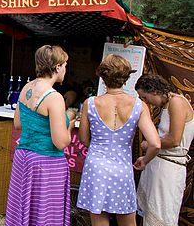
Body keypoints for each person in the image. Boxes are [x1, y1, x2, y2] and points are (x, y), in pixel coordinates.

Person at [77, 55, 160, 226]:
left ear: (102, 76)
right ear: (127, 77)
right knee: (128, 222)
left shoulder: (90, 103)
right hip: (122, 168)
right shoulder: (138, 105)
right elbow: (155, 143)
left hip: (96, 167)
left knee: (99, 221)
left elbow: (84, 139)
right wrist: (144, 160)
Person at [5, 45, 75, 226]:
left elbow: (18, 124)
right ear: (57, 67)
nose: (66, 69)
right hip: (46, 163)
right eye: (65, 65)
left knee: (23, 210)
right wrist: (69, 125)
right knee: (44, 215)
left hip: (23, 159)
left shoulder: (27, 87)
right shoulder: (54, 97)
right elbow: (60, 142)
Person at [135, 74, 194, 226]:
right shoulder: (167, 104)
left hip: (169, 169)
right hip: (159, 165)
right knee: (151, 214)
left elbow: (174, 140)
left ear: (154, 91)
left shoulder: (176, 102)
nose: (146, 102)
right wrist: (146, 159)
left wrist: (149, 144)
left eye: (145, 97)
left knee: (162, 216)